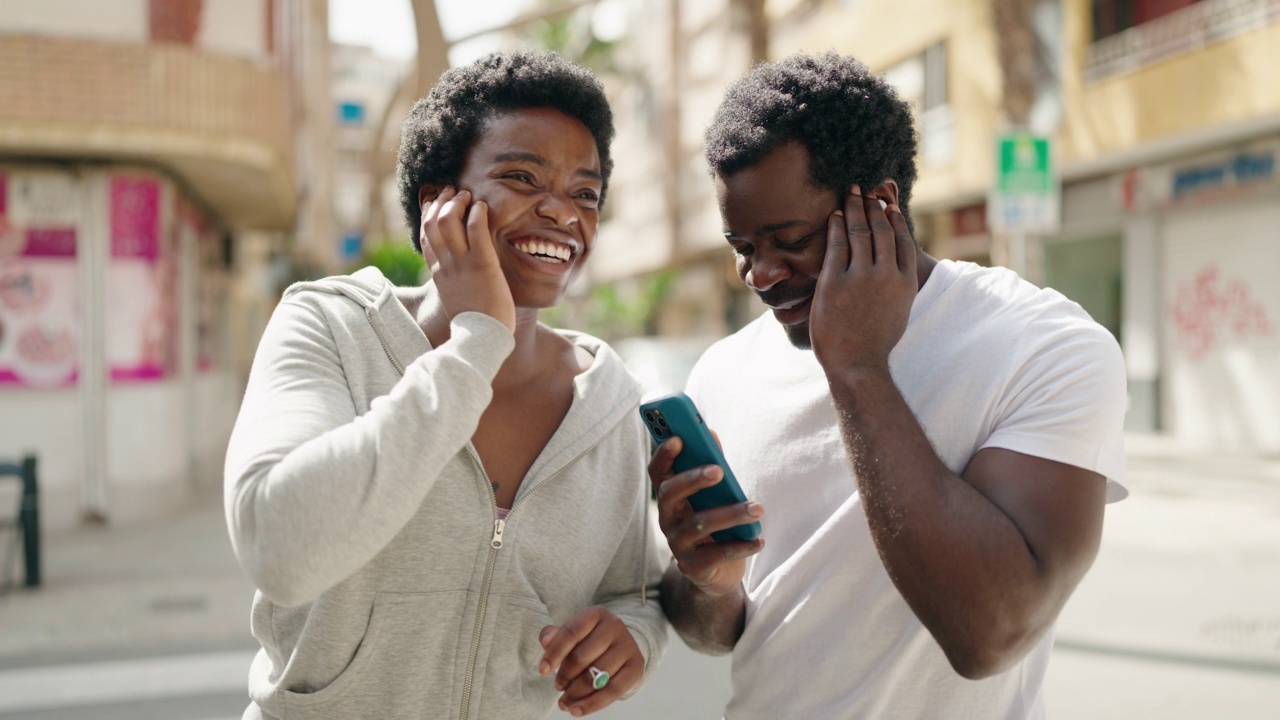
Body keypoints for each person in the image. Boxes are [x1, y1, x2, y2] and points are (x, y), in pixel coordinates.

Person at [650, 52, 1127, 718]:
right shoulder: (724, 370)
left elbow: (991, 634)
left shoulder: (1042, 345)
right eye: (742, 245)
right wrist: (705, 583)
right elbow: (713, 633)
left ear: (879, 205)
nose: (758, 274)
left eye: (787, 239)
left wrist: (858, 368)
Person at [224, 50, 668, 720]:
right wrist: (476, 345)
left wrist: (634, 636)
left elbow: (634, 591)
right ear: (438, 202)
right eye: (523, 177)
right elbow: (279, 550)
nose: (562, 213)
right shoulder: (328, 327)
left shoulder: (609, 402)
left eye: (585, 193)